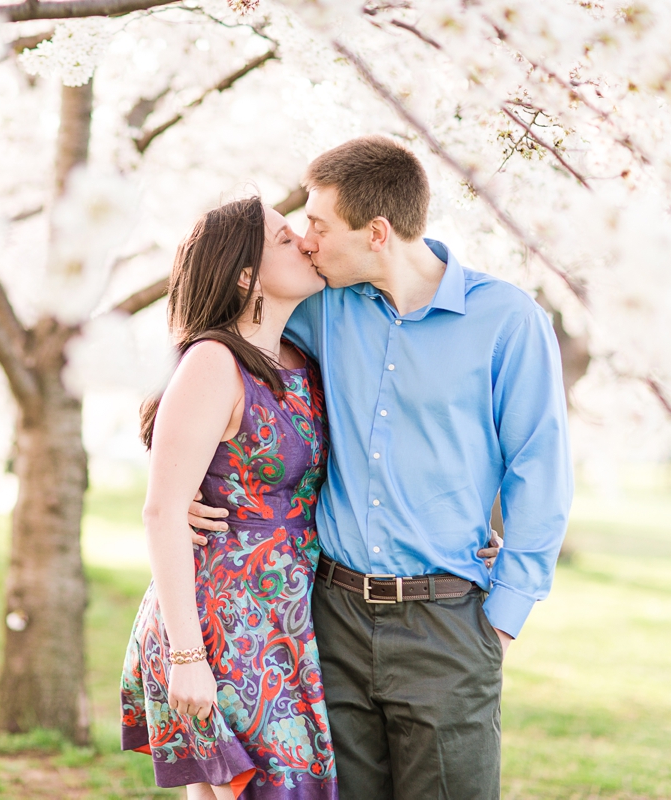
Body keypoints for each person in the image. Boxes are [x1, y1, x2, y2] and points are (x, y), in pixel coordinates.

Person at [187, 136, 573, 799]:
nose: (305, 242)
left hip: (447, 621)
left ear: (376, 233)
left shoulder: (507, 321)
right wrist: (189, 477)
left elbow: (540, 475)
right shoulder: (320, 308)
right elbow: (219, 356)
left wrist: (499, 624)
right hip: (330, 618)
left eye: (317, 226)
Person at [120, 196, 338, 799]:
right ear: (246, 274)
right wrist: (187, 657)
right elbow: (163, 510)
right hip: (224, 620)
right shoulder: (214, 362)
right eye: (285, 239)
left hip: (286, 617)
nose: (305, 242)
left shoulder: (299, 359)